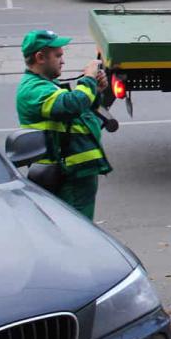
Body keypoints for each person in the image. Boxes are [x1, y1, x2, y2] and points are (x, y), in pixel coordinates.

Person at [16, 29, 112, 220]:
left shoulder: (49, 84)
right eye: (58, 55)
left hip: (75, 173)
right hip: (66, 176)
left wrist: (96, 91)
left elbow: (78, 115)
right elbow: (71, 105)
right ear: (40, 57)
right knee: (77, 230)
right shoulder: (33, 90)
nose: (63, 60)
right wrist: (89, 79)